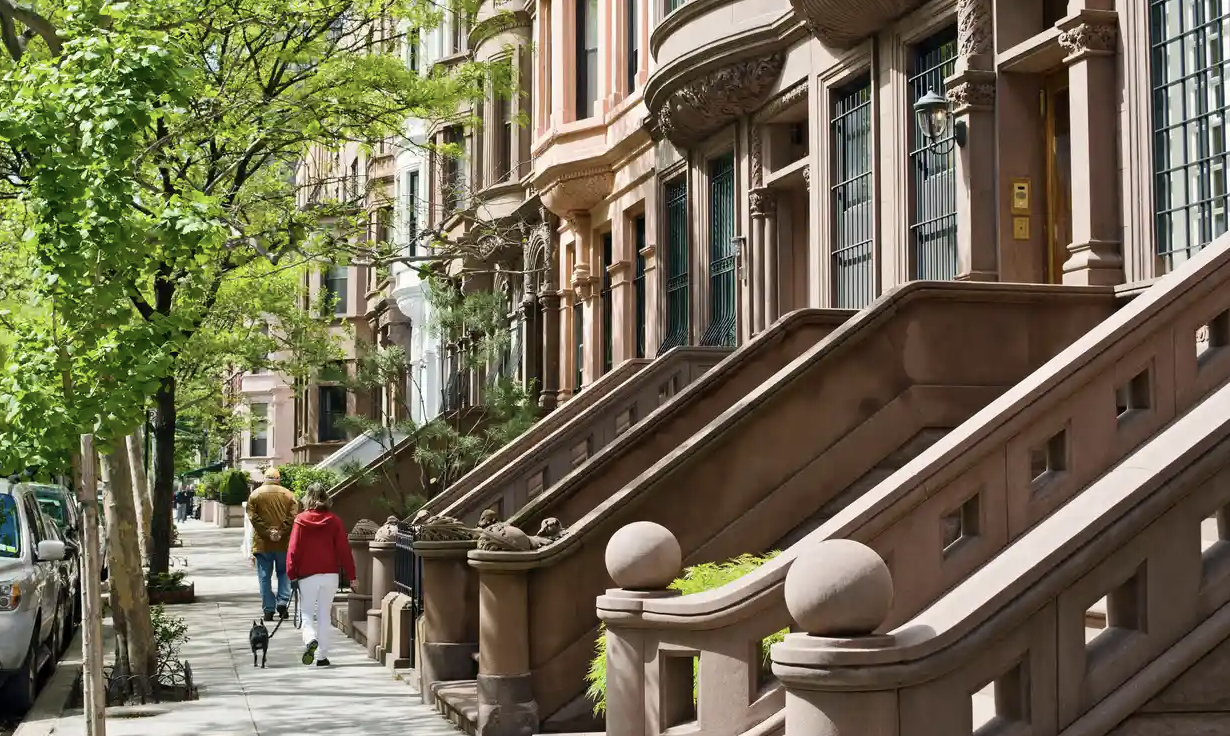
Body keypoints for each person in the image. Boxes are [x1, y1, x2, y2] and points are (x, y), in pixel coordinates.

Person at [286, 483, 355, 667]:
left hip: (307, 575)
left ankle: (310, 639)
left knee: (306, 612)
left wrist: (291, 573)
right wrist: (352, 575)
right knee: (325, 614)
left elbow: (293, 550)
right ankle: (322, 656)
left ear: (307, 497)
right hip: (330, 574)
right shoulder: (334, 520)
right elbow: (344, 550)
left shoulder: (300, 520)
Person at [246, 468, 298, 622]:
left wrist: (268, 532)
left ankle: (268, 609)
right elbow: (293, 517)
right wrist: (280, 531)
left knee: (264, 577)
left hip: (263, 543)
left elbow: (253, 518)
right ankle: (282, 602)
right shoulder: (289, 495)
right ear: (278, 479)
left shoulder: (255, 495)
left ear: (264, 479)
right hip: (284, 543)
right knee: (284, 574)